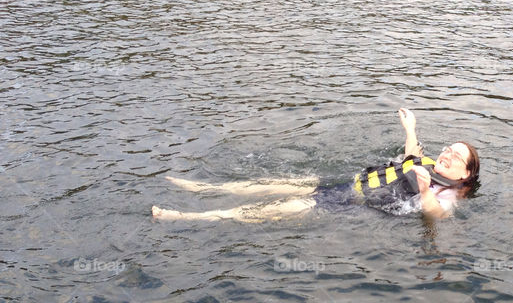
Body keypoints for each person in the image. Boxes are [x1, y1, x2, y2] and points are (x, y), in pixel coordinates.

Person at [151, 108, 479, 222]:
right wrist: (410, 128)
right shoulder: (430, 162)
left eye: (456, 156)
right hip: (349, 182)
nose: (447, 154)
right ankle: (206, 188)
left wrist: (425, 191)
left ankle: (192, 216)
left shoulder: (448, 194)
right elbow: (412, 154)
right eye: (449, 148)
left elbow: (437, 216)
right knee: (274, 183)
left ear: (465, 173)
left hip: (352, 204)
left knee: (280, 207)